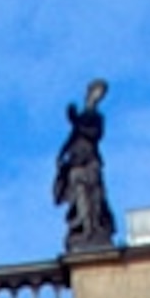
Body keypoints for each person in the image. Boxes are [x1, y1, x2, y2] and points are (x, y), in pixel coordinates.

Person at [53, 79, 112, 251]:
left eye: (101, 94)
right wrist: (61, 154)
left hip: (90, 160)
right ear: (89, 93)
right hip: (76, 161)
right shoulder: (81, 118)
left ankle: (92, 229)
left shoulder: (97, 117)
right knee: (80, 197)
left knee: (94, 195)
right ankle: (85, 229)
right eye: (97, 92)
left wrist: (76, 123)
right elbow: (72, 138)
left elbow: (95, 134)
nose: (98, 97)